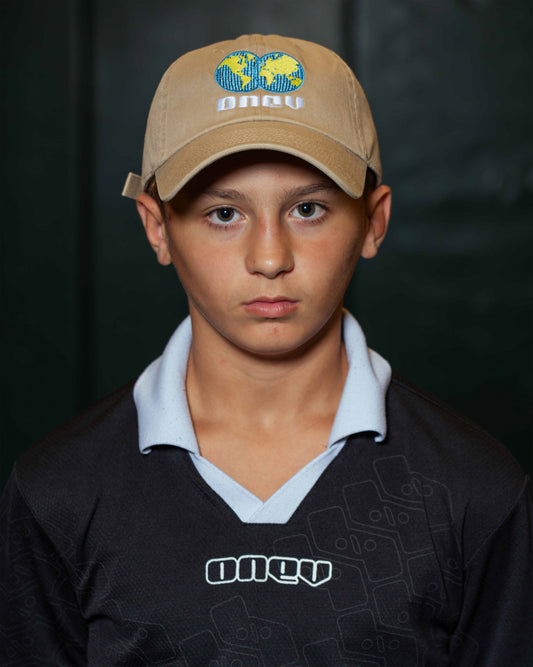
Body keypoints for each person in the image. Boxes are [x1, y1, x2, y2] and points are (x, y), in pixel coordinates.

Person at [1, 34, 531, 666]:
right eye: (224, 214)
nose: (271, 258)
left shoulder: (475, 491)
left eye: (308, 208)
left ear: (374, 221)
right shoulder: (57, 493)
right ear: (156, 227)